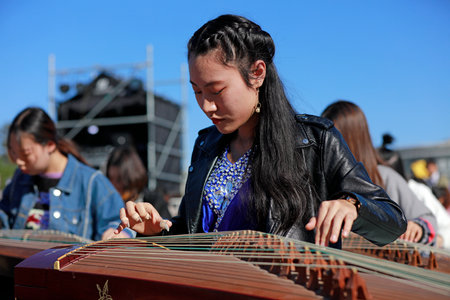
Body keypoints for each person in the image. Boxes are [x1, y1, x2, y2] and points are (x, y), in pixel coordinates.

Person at [115, 14, 406, 247]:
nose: (206, 106)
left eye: (216, 91)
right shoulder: (207, 145)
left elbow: (392, 221)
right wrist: (155, 231)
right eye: (197, 92)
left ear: (257, 74)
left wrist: (352, 205)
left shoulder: (315, 141)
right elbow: (194, 235)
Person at [0, 107, 133, 241]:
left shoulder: (91, 182)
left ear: (50, 145)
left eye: (25, 153)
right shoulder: (20, 179)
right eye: (13, 152)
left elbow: (119, 222)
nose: (18, 161)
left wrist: (117, 233)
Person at [321, 100, 437, 244]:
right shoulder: (322, 177)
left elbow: (427, 219)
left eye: (333, 137)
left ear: (352, 138)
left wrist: (417, 227)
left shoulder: (385, 177)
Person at [106, 145, 171, 219]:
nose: (113, 185)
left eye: (119, 180)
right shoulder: (107, 204)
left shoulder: (154, 202)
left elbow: (168, 227)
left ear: (132, 177)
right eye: (110, 178)